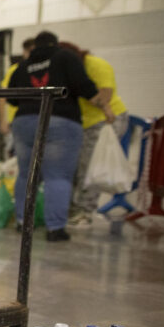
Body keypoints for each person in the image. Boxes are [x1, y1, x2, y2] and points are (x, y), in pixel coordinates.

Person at [7, 31, 112, 242]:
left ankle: (22, 222)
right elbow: (85, 86)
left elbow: (11, 97)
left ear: (34, 46)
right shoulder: (64, 56)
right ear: (56, 43)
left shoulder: (23, 65)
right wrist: (106, 109)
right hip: (59, 120)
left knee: (26, 175)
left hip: (24, 122)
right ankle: (55, 229)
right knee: (58, 176)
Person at [59, 42, 130, 228]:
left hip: (105, 120)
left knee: (90, 168)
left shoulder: (96, 65)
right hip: (82, 123)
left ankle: (84, 213)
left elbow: (105, 95)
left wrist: (83, 88)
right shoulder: (67, 70)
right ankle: (73, 210)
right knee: (76, 168)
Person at [0, 38, 35, 157]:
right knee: (16, 160)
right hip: (16, 122)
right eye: (29, 51)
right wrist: (3, 121)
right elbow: (3, 95)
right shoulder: (16, 70)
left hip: (33, 122)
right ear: (24, 52)